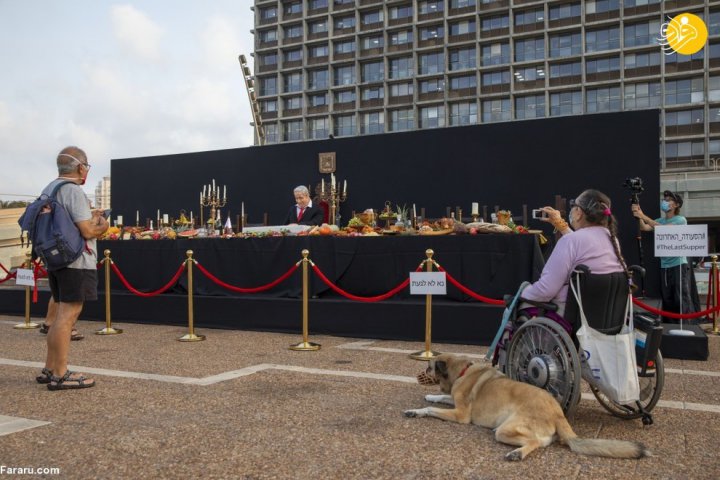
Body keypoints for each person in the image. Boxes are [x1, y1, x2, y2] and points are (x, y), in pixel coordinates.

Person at [35, 146, 108, 390]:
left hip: (56, 260)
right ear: (80, 167)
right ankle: (61, 373)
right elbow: (87, 232)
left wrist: (89, 219)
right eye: (86, 166)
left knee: (58, 315)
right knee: (68, 316)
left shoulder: (50, 188)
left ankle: (49, 368)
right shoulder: (74, 191)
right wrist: (102, 225)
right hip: (76, 261)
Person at [521, 189, 628, 315]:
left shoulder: (570, 241)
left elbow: (545, 291)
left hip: (570, 315)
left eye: (574, 205)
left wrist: (522, 292)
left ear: (579, 213)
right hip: (605, 316)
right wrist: (562, 226)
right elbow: (584, 244)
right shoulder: (612, 239)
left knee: (517, 306)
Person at [631, 190, 696, 322]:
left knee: (681, 297)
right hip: (664, 265)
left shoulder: (680, 220)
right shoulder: (660, 220)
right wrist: (638, 212)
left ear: (676, 205)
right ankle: (670, 326)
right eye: (664, 199)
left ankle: (686, 324)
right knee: (667, 297)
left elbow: (665, 230)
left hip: (678, 264)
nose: (664, 202)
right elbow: (644, 227)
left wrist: (643, 215)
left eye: (668, 200)